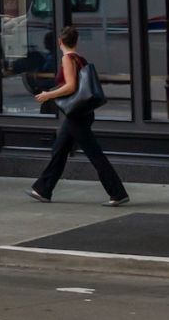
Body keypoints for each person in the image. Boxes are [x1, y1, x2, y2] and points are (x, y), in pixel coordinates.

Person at [27, 27, 130, 207]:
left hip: (77, 116)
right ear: (76, 41)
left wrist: (48, 95)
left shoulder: (67, 58)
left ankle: (118, 193)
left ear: (60, 42)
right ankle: (43, 189)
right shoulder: (80, 58)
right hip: (81, 113)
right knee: (59, 150)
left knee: (94, 154)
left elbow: (71, 86)